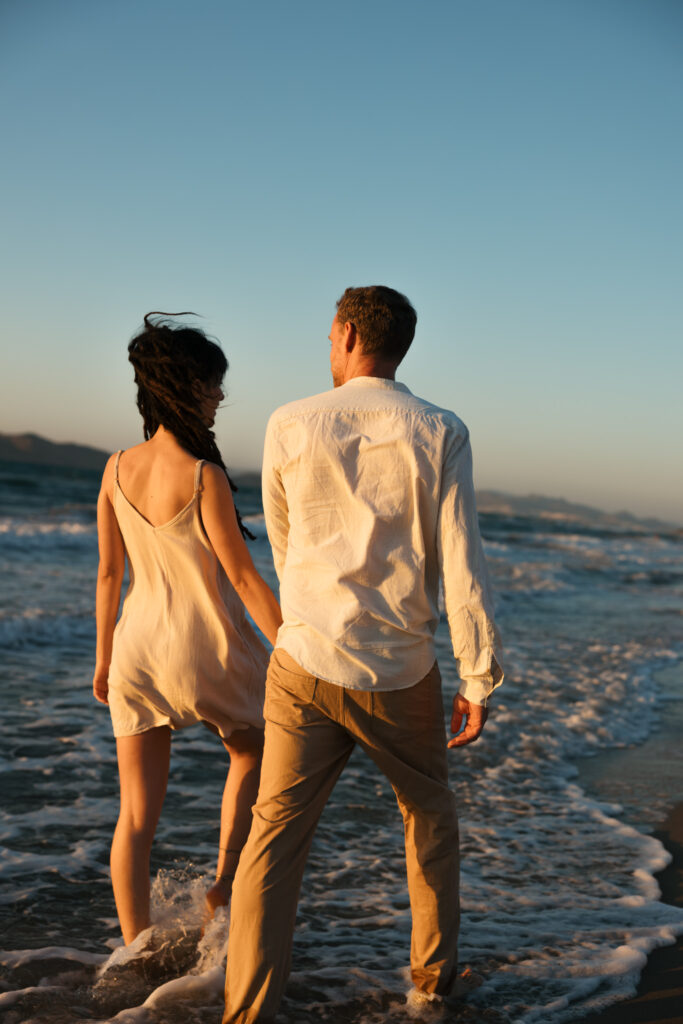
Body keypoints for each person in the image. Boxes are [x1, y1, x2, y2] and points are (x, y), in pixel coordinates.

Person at [223, 286, 503, 1022]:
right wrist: (478, 677)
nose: (327, 345)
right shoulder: (442, 429)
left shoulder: (289, 421)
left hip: (304, 660)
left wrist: (308, 620)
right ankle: (430, 983)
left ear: (347, 334)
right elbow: (461, 561)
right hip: (399, 668)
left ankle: (246, 1010)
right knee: (428, 819)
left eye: (328, 335)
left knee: (273, 838)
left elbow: (283, 547)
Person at [93, 312, 282, 945]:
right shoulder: (205, 475)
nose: (221, 396)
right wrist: (295, 646)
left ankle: (135, 946)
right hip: (207, 649)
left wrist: (102, 661)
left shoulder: (115, 468)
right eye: (213, 384)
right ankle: (224, 881)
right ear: (185, 385)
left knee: (135, 819)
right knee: (252, 747)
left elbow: (107, 577)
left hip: (137, 651)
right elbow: (247, 580)